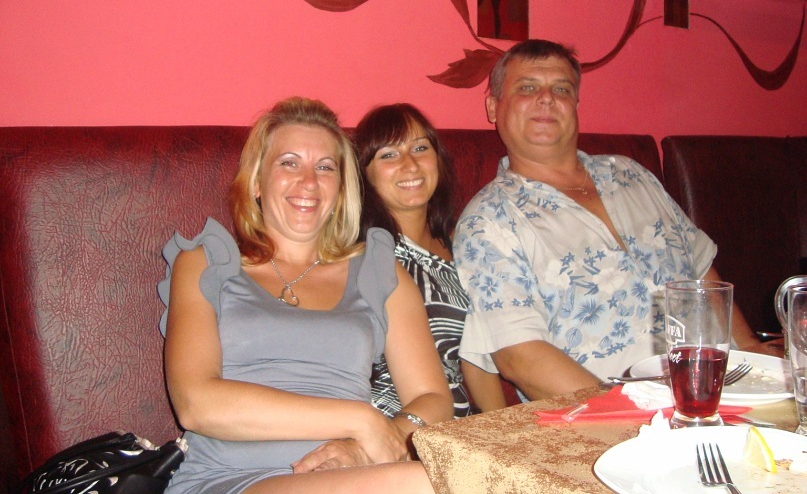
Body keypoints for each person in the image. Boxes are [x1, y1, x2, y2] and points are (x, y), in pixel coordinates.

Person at [158, 97, 453, 494]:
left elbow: (432, 397)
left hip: (348, 478)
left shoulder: (379, 272)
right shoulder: (206, 263)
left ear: (341, 189)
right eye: (289, 163)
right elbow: (196, 404)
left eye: (325, 167)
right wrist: (360, 420)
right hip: (228, 478)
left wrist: (368, 447)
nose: (309, 182)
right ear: (257, 182)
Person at [453, 39, 757, 401]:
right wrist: (625, 412)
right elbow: (521, 357)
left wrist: (753, 357)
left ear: (575, 105)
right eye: (527, 88)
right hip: (610, 418)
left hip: (720, 391)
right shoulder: (488, 221)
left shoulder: (632, 175)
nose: (547, 98)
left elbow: (703, 275)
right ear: (493, 107)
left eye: (561, 89)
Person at [353, 104, 507, 415]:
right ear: (364, 173)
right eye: (388, 154)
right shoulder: (361, 256)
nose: (409, 164)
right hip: (388, 420)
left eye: (420, 148)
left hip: (457, 422)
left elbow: (477, 360)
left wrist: (504, 432)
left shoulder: (463, 245)